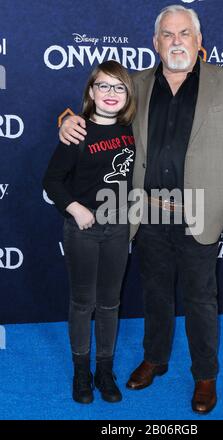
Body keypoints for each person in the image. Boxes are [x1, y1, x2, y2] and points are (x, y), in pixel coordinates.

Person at [59, 5, 223, 414]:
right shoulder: (134, 84)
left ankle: (205, 374)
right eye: (167, 35)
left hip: (201, 211)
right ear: (155, 43)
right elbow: (98, 115)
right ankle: (156, 358)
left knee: (201, 297)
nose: (175, 41)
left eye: (184, 33)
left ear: (198, 40)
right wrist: (66, 121)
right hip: (146, 210)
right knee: (155, 293)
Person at [43, 60, 136, 404]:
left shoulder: (132, 130)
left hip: (118, 228)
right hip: (82, 230)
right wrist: (75, 208)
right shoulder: (78, 131)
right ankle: (81, 371)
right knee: (83, 303)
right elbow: (52, 181)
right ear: (91, 92)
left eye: (119, 87)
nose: (111, 93)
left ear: (128, 94)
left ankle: (104, 369)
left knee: (110, 303)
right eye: (103, 86)